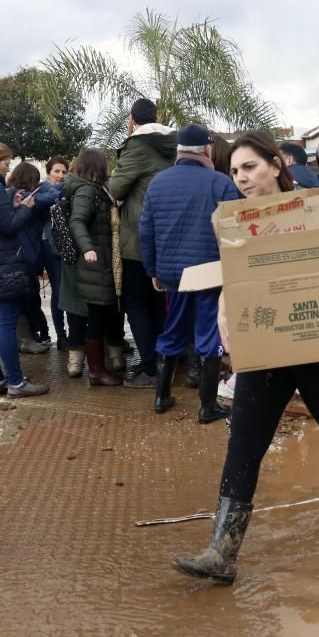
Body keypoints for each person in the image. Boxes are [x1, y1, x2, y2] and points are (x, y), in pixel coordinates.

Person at [171, 131, 319, 586]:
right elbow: (234, 278)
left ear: (275, 164)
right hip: (268, 347)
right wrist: (226, 311)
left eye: (249, 167)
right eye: (233, 171)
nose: (242, 178)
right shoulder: (233, 223)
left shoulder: (318, 206)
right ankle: (222, 551)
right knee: (245, 440)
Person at [140, 124, 239, 422]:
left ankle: (161, 397)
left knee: (173, 329)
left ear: (179, 152)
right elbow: (233, 232)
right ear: (207, 150)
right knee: (209, 334)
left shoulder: (157, 183)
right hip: (211, 273)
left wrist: (153, 269)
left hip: (172, 274)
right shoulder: (221, 183)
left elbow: (146, 232)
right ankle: (207, 406)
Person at [107, 98, 176, 388]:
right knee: (159, 302)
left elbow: (115, 188)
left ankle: (150, 366)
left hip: (137, 239)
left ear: (133, 119)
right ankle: (166, 360)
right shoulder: (173, 144)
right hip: (167, 236)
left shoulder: (137, 146)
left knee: (136, 303)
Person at [0, 141, 49, 398]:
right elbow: (9, 225)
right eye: (5, 164)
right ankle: (16, 382)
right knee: (6, 326)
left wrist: (11, 205)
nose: (6, 169)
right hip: (4, 267)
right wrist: (24, 209)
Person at [68, 149, 127, 387]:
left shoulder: (96, 190)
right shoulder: (86, 191)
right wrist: (88, 248)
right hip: (95, 263)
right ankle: (96, 371)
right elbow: (77, 220)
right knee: (96, 317)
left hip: (100, 262)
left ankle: (97, 369)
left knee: (100, 315)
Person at [5, 163, 50, 355]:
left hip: (18, 253)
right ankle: (26, 340)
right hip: (25, 253)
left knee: (23, 297)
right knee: (25, 297)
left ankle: (29, 337)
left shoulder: (7, 194)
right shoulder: (24, 196)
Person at [35, 157, 69, 351]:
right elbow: (41, 204)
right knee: (58, 290)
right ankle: (61, 335)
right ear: (48, 172)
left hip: (66, 245)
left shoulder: (66, 188)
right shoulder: (42, 189)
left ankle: (70, 333)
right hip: (49, 244)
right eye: (56, 171)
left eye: (64, 172)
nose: (60, 175)